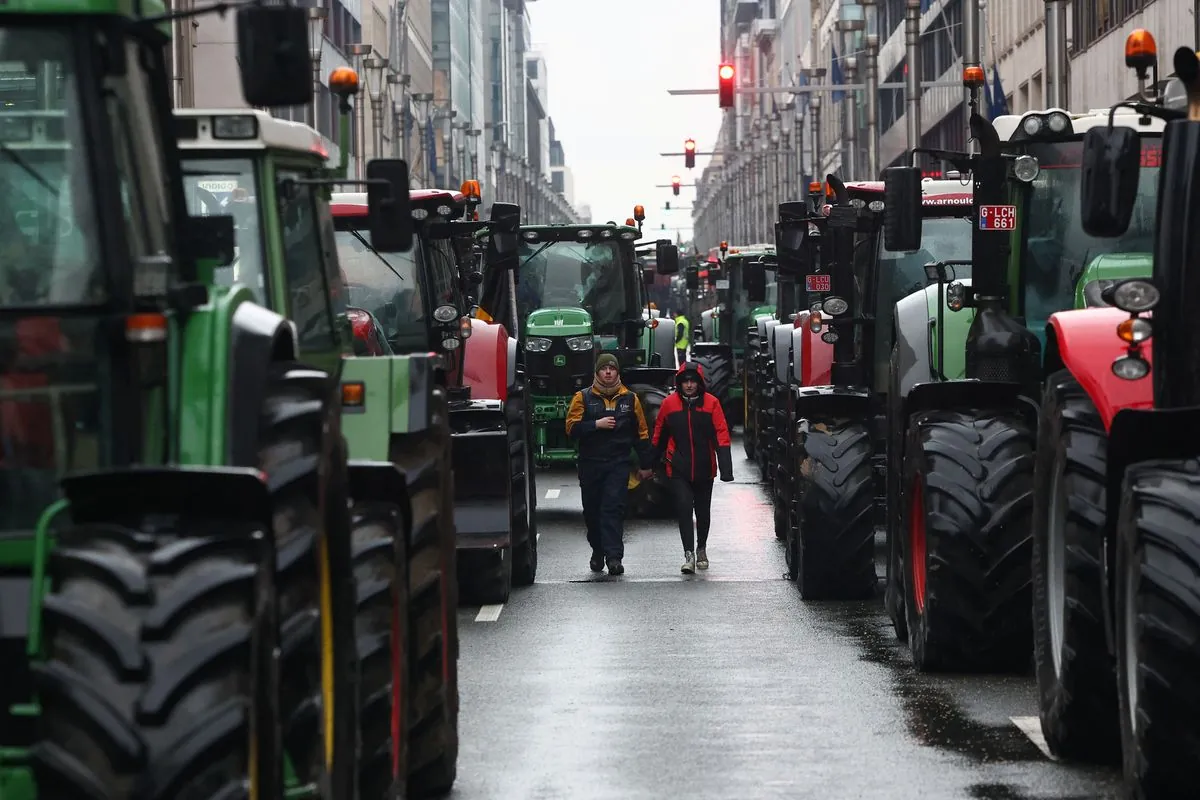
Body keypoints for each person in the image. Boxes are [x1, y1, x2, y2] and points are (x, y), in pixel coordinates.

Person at [565, 353, 654, 575]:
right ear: (596, 373)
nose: (608, 372)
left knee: (612, 509)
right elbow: (571, 429)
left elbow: (641, 434)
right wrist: (596, 424)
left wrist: (646, 465)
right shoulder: (582, 398)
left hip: (618, 464)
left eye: (611, 369)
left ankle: (614, 557)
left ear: (617, 373)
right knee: (592, 512)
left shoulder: (630, 399)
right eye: (603, 369)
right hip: (591, 464)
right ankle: (598, 551)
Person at [652, 361, 733, 574]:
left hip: (705, 468)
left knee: (703, 512)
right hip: (678, 468)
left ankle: (702, 548)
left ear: (699, 383)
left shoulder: (712, 404)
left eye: (693, 381)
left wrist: (726, 469)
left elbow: (721, 435)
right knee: (684, 508)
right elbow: (659, 435)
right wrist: (649, 464)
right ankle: (688, 553)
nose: (689, 385)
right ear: (679, 383)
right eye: (685, 381)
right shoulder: (669, 405)